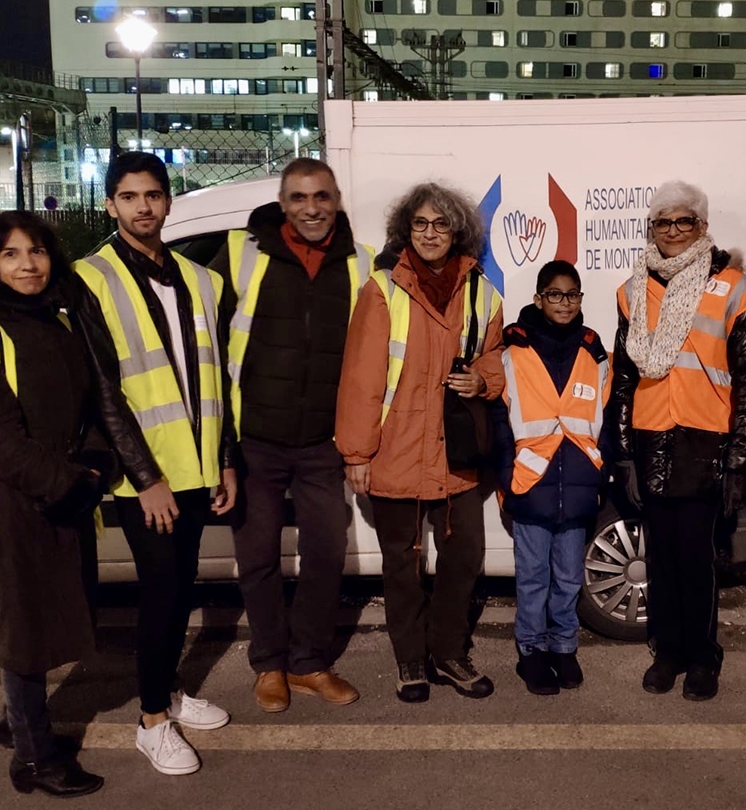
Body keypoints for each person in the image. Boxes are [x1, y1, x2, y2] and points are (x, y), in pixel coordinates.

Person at [0, 212, 113, 797]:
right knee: (23, 633)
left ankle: (20, 724)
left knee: (49, 624)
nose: (27, 265)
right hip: (15, 503)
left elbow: (87, 405)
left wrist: (90, 465)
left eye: (36, 251)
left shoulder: (54, 322)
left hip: (62, 493)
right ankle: (35, 759)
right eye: (11, 255)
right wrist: (71, 483)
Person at [74, 152, 237, 776]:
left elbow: (214, 380)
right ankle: (150, 720)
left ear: (169, 202)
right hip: (147, 480)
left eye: (154, 195)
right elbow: (102, 390)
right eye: (129, 196)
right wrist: (145, 479)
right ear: (111, 204)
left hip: (197, 470)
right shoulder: (89, 278)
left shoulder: (201, 280)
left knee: (181, 588)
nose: (143, 206)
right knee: (161, 593)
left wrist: (224, 461)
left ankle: (169, 693)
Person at [210, 158, 373, 713]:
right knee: (256, 557)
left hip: (323, 443)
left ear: (337, 201)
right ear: (282, 203)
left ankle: (307, 663)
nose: (311, 208)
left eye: (321, 197)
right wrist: (220, 444)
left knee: (326, 551)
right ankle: (269, 664)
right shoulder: (241, 254)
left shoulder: (361, 264)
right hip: (255, 438)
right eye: (299, 198)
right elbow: (204, 342)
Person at [335, 182, 505, 703]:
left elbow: (494, 357)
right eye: (421, 224)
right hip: (397, 452)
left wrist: (484, 381)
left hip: (456, 456)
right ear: (406, 231)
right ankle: (411, 661)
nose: (431, 233)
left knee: (463, 560)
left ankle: (448, 653)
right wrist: (357, 455)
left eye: (441, 224)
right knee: (402, 568)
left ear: (458, 231)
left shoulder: (483, 291)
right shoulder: (382, 289)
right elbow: (361, 380)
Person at [611, 180, 746, 701]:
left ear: (702, 226)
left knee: (698, 560)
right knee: (662, 559)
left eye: (685, 221)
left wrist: (740, 461)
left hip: (706, 443)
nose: (673, 230)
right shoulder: (631, 289)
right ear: (650, 228)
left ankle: (703, 656)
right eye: (663, 222)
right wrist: (624, 452)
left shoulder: (733, 287)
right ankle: (669, 651)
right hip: (652, 439)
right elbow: (624, 379)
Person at [491, 260, 611, 696]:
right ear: (539, 298)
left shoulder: (594, 354)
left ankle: (563, 646)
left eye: (573, 294)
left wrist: (601, 470)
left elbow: (607, 419)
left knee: (567, 577)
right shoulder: (513, 353)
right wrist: (506, 477)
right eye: (555, 294)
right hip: (530, 484)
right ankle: (531, 651)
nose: (565, 302)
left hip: (579, 485)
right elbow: (500, 423)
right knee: (533, 577)